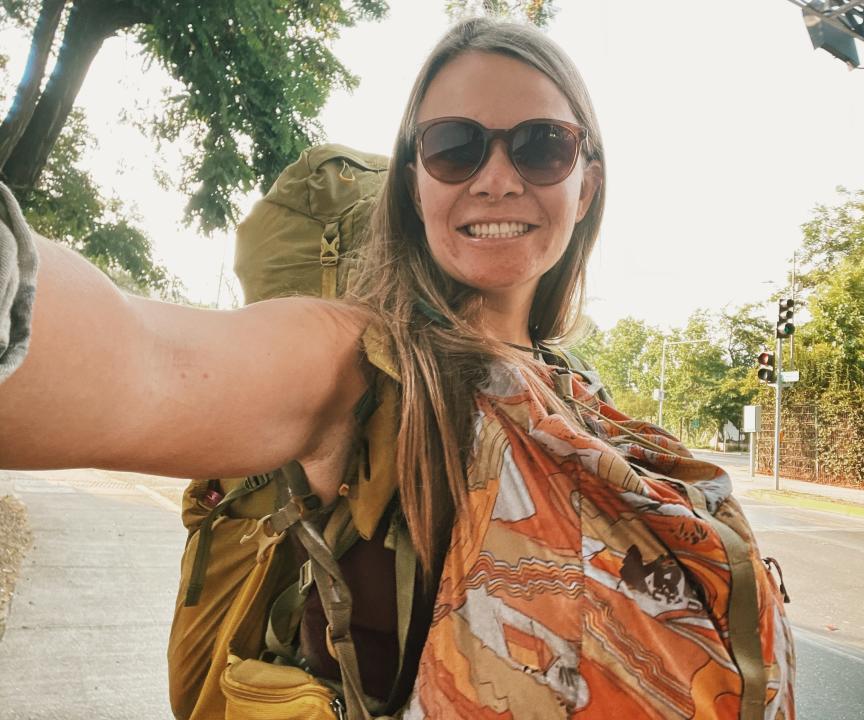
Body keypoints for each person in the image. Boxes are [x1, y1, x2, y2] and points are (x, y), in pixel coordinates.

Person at [0, 17, 795, 719]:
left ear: (586, 185)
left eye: (541, 145)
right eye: (453, 147)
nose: (496, 176)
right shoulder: (357, 360)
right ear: (414, 185)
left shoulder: (574, 388)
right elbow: (144, 361)